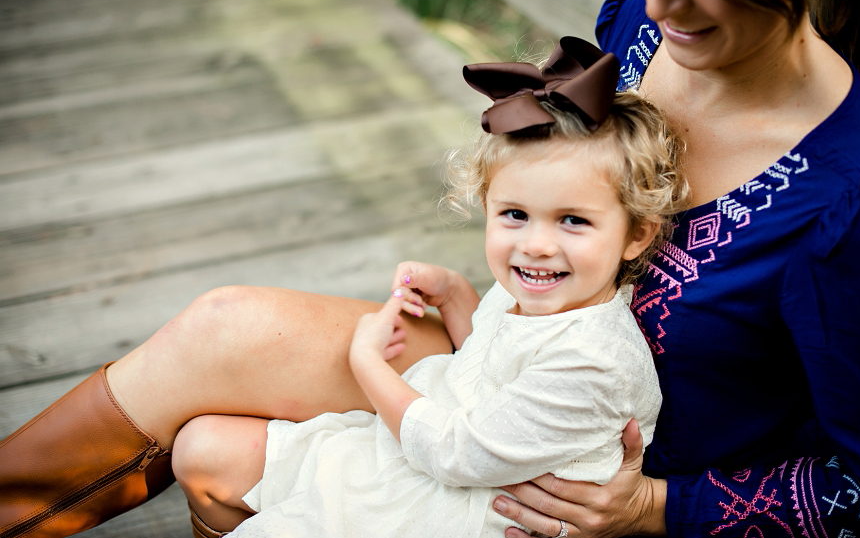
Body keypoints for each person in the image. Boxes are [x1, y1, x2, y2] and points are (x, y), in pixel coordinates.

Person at [1, 0, 860, 536]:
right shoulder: (639, 26)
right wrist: (481, 306)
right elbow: (551, 185)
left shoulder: (857, 195)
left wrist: (655, 508)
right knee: (220, 338)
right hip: (520, 351)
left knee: (225, 463)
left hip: (601, 478)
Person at [170, 37, 687, 537]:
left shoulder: (594, 361)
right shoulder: (545, 292)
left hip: (459, 505)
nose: (536, 244)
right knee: (199, 448)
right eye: (514, 214)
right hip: (427, 461)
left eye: (572, 220)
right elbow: (490, 366)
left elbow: (455, 452)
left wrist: (367, 364)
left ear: (635, 234)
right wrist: (459, 295)